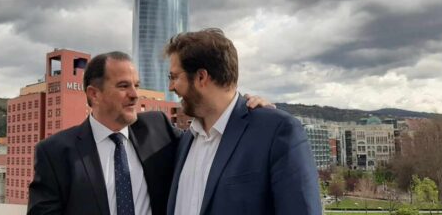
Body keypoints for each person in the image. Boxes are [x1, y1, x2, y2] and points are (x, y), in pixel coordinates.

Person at [27, 51, 272, 215]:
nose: (135, 94)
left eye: (137, 85)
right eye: (124, 86)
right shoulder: (55, 153)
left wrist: (246, 110)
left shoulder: (158, 128)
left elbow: (210, 138)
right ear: (94, 94)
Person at [165, 28, 322, 215]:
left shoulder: (276, 132)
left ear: (201, 77)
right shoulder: (184, 141)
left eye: (174, 77)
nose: (171, 87)